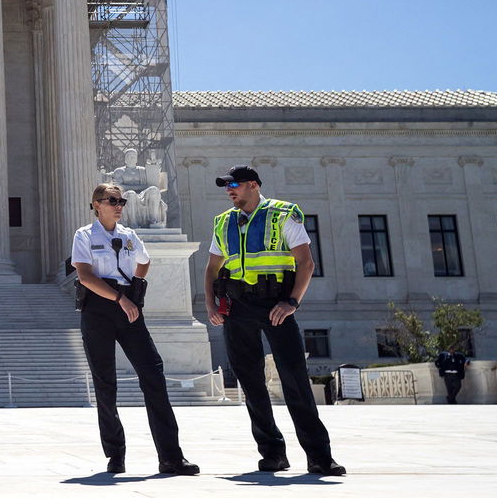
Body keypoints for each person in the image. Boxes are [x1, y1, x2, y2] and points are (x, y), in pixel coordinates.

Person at [203, 166, 346, 476]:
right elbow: (212, 268)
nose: (230, 192)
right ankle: (272, 454)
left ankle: (320, 457)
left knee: (295, 379)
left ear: (253, 185)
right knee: (251, 384)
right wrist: (210, 303)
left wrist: (292, 302)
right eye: (227, 187)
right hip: (237, 309)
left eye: (235, 185)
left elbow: (306, 263)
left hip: (275, 306)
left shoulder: (284, 214)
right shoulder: (224, 221)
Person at [71, 183, 199, 476]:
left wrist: (136, 289)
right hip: (98, 309)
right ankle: (115, 455)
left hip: (128, 307)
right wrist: (119, 298)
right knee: (106, 383)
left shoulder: (129, 236)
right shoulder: (85, 235)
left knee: (153, 374)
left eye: (122, 201)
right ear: (97, 205)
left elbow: (144, 261)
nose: (119, 205)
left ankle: (171, 456)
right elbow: (85, 275)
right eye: (113, 200)